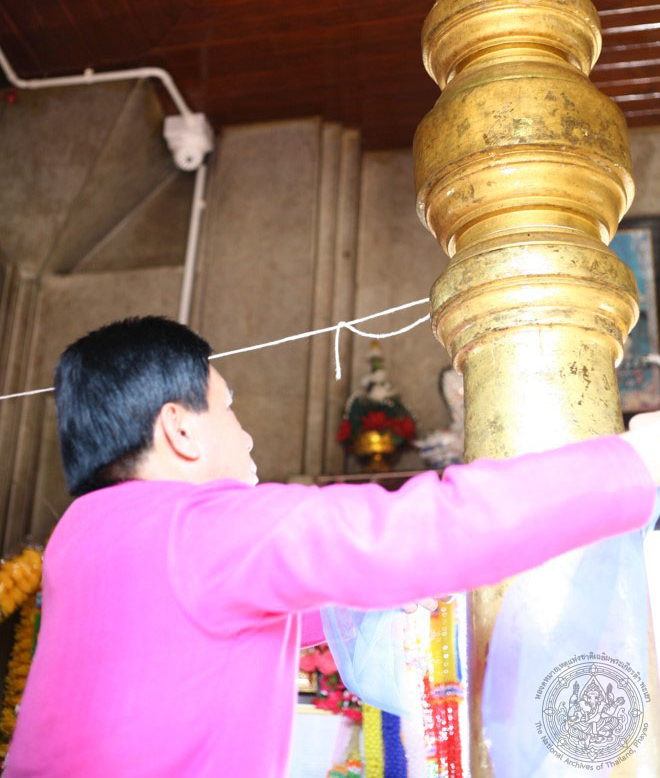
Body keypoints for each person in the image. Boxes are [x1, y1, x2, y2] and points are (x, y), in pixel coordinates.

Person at [4, 316, 659, 777]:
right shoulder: (198, 528)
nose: (246, 435)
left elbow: (258, 615)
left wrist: (398, 596)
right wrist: (635, 466)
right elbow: (416, 533)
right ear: (180, 430)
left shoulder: (79, 541)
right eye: (228, 408)